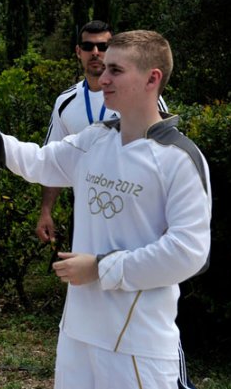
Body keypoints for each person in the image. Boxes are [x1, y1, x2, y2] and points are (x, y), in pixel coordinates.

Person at [0, 30, 211, 389]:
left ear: (152, 79)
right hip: (77, 334)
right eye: (105, 68)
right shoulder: (96, 139)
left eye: (116, 70)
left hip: (137, 345)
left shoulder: (179, 159)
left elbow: (189, 252)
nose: (103, 78)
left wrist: (101, 268)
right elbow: (41, 161)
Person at [37, 20, 169, 245]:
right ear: (78, 52)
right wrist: (46, 210)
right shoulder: (65, 102)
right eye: (88, 46)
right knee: (82, 267)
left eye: (103, 46)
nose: (95, 52)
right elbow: (54, 159)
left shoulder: (140, 95)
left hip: (136, 212)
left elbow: (167, 153)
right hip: (86, 212)